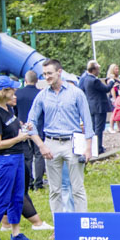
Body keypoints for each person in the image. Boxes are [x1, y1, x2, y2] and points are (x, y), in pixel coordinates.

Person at [28, 59, 93, 215]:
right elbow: (30, 123)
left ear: (59, 72)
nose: (47, 77)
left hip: (73, 143)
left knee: (77, 188)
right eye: (44, 74)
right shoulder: (42, 95)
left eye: (49, 73)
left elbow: (87, 120)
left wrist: (88, 147)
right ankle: (60, 226)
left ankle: (80, 222)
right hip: (51, 143)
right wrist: (41, 145)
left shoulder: (76, 93)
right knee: (55, 190)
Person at [0, 77, 39, 240]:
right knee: (1, 197)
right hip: (3, 160)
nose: (15, 92)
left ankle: (15, 233)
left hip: (16, 157)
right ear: (3, 92)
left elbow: (11, 130)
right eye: (12, 90)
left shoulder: (8, 109)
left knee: (17, 197)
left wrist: (24, 128)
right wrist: (19, 138)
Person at [15, 70, 45, 190]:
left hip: (24, 127)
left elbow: (15, 113)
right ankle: (39, 183)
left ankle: (28, 182)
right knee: (39, 155)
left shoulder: (18, 94)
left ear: (25, 80)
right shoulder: (41, 94)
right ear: (37, 81)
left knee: (27, 156)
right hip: (38, 126)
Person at [78, 60, 112, 154]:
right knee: (99, 128)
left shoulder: (85, 79)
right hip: (99, 107)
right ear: (93, 70)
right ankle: (98, 148)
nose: (99, 71)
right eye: (98, 69)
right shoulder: (95, 80)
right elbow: (106, 89)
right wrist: (111, 82)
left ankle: (93, 147)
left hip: (91, 106)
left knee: (93, 127)